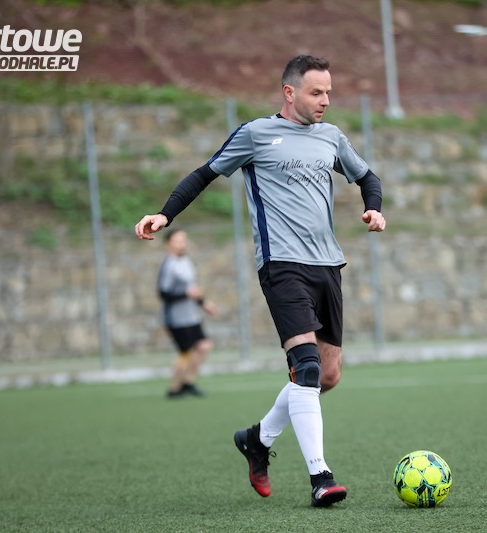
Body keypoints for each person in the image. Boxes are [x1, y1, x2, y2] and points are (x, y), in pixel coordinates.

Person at [135, 55, 386, 507]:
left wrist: (374, 208)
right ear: (289, 92)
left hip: (328, 266)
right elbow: (204, 174)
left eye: (328, 92)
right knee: (305, 368)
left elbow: (368, 177)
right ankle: (321, 477)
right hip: (281, 265)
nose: (325, 101)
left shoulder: (331, 137)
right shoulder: (256, 134)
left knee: (327, 376)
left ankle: (257, 439)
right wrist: (165, 214)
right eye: (316, 92)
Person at [157, 227, 217, 399]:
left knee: (204, 346)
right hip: (176, 318)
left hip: (191, 316)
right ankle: (174, 388)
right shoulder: (169, 266)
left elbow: (191, 290)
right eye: (178, 240)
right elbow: (163, 294)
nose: (182, 244)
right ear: (168, 244)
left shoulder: (185, 262)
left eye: (184, 240)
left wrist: (204, 303)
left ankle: (188, 383)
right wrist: (185, 295)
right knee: (186, 352)